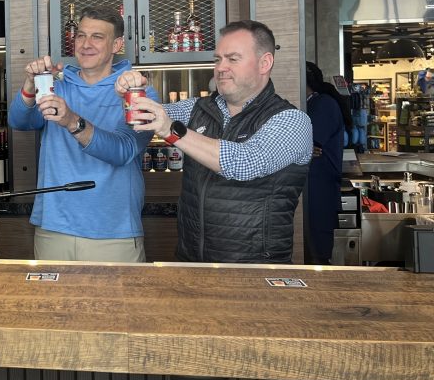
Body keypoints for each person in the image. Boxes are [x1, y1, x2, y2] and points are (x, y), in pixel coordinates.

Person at [116, 20, 313, 264]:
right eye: (218, 59)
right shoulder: (197, 109)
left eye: (233, 58)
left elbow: (245, 163)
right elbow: (144, 117)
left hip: (254, 268)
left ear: (265, 63)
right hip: (191, 262)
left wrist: (172, 131)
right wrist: (132, 91)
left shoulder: (291, 120)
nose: (221, 67)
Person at [7, 8, 157, 262]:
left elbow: (123, 151)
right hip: (54, 227)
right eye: (80, 36)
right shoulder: (56, 86)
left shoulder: (138, 92)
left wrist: (71, 121)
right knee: (51, 303)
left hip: (113, 232)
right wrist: (31, 84)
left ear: (117, 44)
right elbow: (19, 121)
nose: (86, 44)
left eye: (97, 37)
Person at [305, 61, 350, 265]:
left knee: (317, 256)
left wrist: (302, 147)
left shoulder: (322, 104)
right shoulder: (310, 104)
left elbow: (308, 144)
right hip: (312, 190)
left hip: (319, 191)